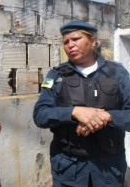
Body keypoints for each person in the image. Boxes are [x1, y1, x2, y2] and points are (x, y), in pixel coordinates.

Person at [33, 20, 130, 187]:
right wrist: (74, 112)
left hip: (109, 171)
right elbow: (40, 115)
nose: (70, 45)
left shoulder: (117, 73)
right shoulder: (56, 76)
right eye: (66, 42)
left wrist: (107, 116)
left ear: (92, 42)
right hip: (69, 170)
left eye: (75, 39)